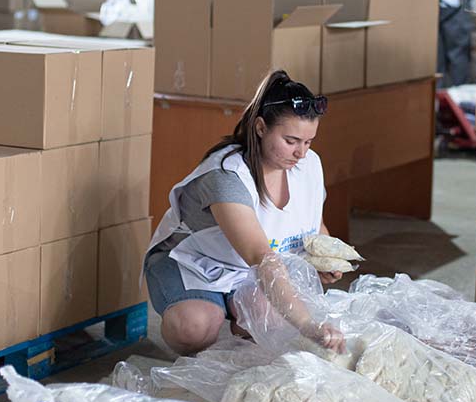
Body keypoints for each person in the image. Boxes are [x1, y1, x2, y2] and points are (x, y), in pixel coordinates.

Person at [142, 70, 346, 356]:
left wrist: (322, 260)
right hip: (194, 265)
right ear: (261, 128)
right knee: (195, 326)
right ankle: (206, 323)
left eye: (308, 141)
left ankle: (236, 326)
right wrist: (308, 325)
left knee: (271, 319)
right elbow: (260, 257)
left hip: (250, 271)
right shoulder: (227, 176)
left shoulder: (308, 164)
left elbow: (314, 224)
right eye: (291, 141)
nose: (301, 153)